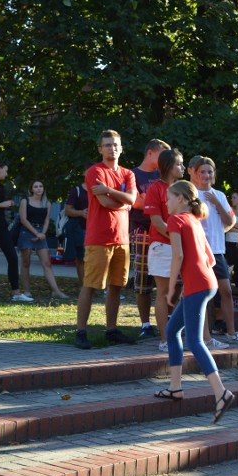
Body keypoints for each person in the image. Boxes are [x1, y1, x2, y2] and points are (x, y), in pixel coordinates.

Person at [153, 180, 235, 424]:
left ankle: (221, 393)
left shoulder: (177, 220)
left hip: (198, 285)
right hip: (206, 282)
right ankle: (175, 387)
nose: (166, 202)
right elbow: (209, 258)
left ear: (180, 199)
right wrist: (191, 283)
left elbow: (178, 255)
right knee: (171, 330)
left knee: (195, 341)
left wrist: (171, 288)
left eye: (169, 198)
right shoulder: (194, 220)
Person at [75, 130, 138, 349]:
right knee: (90, 285)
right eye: (108, 145)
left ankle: (111, 330)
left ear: (121, 148)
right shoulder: (94, 172)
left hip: (122, 239)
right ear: (100, 149)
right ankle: (81, 332)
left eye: (116, 144)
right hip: (98, 238)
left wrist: (110, 191)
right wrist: (123, 201)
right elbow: (107, 203)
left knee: (116, 286)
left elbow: (132, 198)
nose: (113, 148)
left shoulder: (128, 174)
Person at [188, 155, 238, 346]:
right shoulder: (191, 195)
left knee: (226, 291)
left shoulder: (220, 195)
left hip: (218, 250)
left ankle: (232, 333)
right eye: (202, 172)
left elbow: (229, 221)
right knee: (204, 294)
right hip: (200, 251)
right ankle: (206, 337)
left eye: (209, 172)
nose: (206, 175)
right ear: (195, 173)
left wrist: (216, 202)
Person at [145, 149, 186, 353]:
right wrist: (176, 237)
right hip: (162, 246)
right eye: (179, 164)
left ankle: (175, 334)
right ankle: (164, 339)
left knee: (179, 292)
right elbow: (157, 221)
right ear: (169, 166)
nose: (183, 168)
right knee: (162, 293)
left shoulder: (185, 189)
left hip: (180, 247)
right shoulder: (156, 189)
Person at [131, 139, 171, 341]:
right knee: (142, 280)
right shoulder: (134, 175)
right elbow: (136, 201)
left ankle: (169, 322)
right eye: (162, 154)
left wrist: (146, 201)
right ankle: (145, 324)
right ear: (150, 153)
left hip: (165, 233)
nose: (166, 159)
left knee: (169, 279)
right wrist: (143, 201)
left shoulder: (162, 176)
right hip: (142, 231)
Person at [0, 159, 32, 303]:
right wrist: (1, 204)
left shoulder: (1, 187)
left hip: (1, 226)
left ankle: (16, 292)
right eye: (5, 170)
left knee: (12, 256)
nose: (6, 173)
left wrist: (8, 204)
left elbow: (1, 206)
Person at [17, 180, 69, 299]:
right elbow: (23, 220)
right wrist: (36, 233)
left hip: (41, 232)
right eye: (36, 187)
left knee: (47, 263)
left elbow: (46, 220)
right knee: (26, 262)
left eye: (41, 186)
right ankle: (27, 291)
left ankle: (56, 291)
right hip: (27, 231)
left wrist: (42, 233)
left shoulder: (47, 203)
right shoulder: (25, 201)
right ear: (32, 189)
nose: (39, 188)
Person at [63, 175, 90, 283]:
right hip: (80, 230)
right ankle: (84, 287)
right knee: (81, 259)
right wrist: (81, 213)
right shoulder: (77, 190)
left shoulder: (100, 190)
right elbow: (67, 210)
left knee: (99, 259)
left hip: (97, 230)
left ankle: (101, 288)